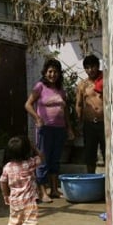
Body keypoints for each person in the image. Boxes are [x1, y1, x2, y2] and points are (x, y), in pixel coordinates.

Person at [24, 58, 74, 202]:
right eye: (50, 71)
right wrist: (37, 118)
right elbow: (27, 105)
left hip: (59, 129)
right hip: (44, 129)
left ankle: (54, 190)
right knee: (43, 160)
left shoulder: (61, 90)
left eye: (55, 71)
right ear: (45, 73)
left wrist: (69, 128)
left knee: (55, 160)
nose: (53, 74)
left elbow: (65, 113)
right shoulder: (39, 87)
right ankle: (42, 192)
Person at [0, 135, 43, 225]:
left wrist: (5, 195)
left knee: (14, 219)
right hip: (29, 201)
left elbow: (2, 181)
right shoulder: (29, 163)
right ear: (27, 151)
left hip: (14, 200)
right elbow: (41, 157)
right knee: (32, 223)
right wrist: (34, 147)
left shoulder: (7, 167)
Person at [75, 54, 104, 174]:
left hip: (104, 123)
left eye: (93, 67)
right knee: (90, 153)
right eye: (87, 67)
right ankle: (91, 178)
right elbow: (79, 104)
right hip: (89, 124)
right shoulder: (82, 85)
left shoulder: (106, 79)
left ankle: (111, 181)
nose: (90, 70)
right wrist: (79, 123)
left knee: (108, 151)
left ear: (98, 66)